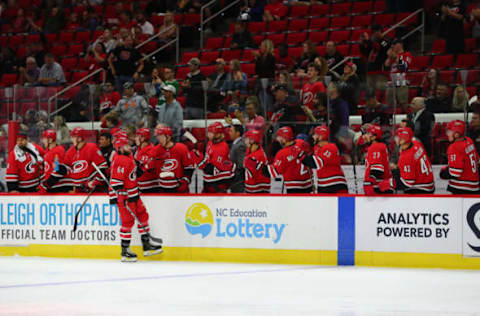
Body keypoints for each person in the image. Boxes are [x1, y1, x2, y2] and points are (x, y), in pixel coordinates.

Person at [109, 137, 163, 262]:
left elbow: (134, 174)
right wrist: (121, 198)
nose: (129, 147)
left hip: (134, 195)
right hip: (126, 197)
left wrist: (143, 167)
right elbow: (116, 182)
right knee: (127, 222)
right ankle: (125, 251)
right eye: (126, 146)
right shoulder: (120, 159)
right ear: (119, 148)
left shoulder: (129, 157)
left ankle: (147, 245)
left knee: (143, 215)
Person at [247, 126, 313, 193]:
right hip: (308, 186)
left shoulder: (282, 153)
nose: (277, 140)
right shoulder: (300, 143)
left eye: (279, 137)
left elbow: (270, 173)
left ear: (284, 139)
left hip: (292, 188)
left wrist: (256, 164)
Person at [299, 126, 348, 193]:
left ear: (321, 136)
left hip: (335, 184)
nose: (313, 136)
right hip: (323, 184)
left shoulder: (331, 147)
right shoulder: (317, 147)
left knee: (344, 204)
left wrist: (300, 155)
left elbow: (315, 163)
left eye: (315, 134)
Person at [440, 120, 480, 194]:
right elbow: (477, 160)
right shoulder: (469, 140)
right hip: (475, 186)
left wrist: (443, 172)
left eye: (449, 132)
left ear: (456, 134)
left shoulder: (454, 147)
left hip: (461, 188)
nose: (447, 134)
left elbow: (455, 173)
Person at [391, 127, 435, 194]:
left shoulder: (406, 156)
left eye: (397, 137)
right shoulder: (416, 143)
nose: (395, 139)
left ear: (403, 139)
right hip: (429, 183)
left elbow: (407, 183)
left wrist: (388, 183)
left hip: (420, 189)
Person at [64, 127, 107, 192]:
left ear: (80, 138)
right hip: (77, 189)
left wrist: (94, 182)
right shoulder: (70, 152)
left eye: (74, 137)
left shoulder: (92, 148)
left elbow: (103, 167)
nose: (72, 139)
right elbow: (66, 169)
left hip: (92, 189)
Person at [197, 122, 236, 193]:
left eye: (210, 132)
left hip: (218, 184)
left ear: (218, 134)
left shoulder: (222, 147)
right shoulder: (210, 142)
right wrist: (200, 164)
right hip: (209, 181)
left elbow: (213, 169)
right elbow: (207, 159)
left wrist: (199, 160)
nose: (208, 134)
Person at [154, 125, 194, 193]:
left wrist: (185, 181)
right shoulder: (156, 149)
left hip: (178, 188)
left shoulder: (181, 148)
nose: (159, 140)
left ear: (168, 137)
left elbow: (189, 167)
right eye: (158, 137)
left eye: (161, 137)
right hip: (162, 189)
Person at [363, 124, 394, 195]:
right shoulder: (380, 146)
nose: (365, 136)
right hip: (383, 186)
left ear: (374, 137)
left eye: (368, 133)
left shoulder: (376, 147)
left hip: (379, 186)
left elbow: (377, 170)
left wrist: (369, 182)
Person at [38, 129, 71, 193]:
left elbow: (58, 170)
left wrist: (46, 184)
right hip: (52, 186)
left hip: (59, 187)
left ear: (50, 140)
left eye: (44, 139)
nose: (43, 141)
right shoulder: (48, 151)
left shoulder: (58, 151)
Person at [360, 24, 391, 91]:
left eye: (376, 31)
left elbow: (381, 48)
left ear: (380, 31)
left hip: (381, 71)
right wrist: (363, 43)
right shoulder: (371, 42)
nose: (374, 34)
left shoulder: (385, 40)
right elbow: (365, 52)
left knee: (380, 91)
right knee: (370, 93)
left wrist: (369, 41)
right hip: (370, 70)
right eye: (373, 32)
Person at [385, 39, 412, 112]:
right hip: (391, 83)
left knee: (403, 103)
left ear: (400, 45)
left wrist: (395, 57)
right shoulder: (391, 56)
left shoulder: (406, 54)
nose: (392, 46)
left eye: (395, 44)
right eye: (392, 45)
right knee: (389, 104)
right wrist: (389, 57)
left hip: (402, 82)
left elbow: (404, 67)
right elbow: (386, 66)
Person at [243, 129, 270, 193]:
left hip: (258, 189)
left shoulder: (257, 156)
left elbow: (255, 171)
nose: (245, 141)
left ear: (252, 140)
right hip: (254, 186)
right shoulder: (251, 150)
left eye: (247, 139)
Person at [134, 128, 159, 193]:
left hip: (151, 189)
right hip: (139, 188)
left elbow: (150, 169)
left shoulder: (153, 151)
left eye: (137, 136)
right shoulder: (137, 150)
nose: (135, 138)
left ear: (143, 138)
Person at [229, 124, 247, 193]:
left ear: (237, 133)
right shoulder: (236, 144)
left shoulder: (240, 146)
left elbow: (241, 164)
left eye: (231, 131)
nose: (229, 133)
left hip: (238, 179)